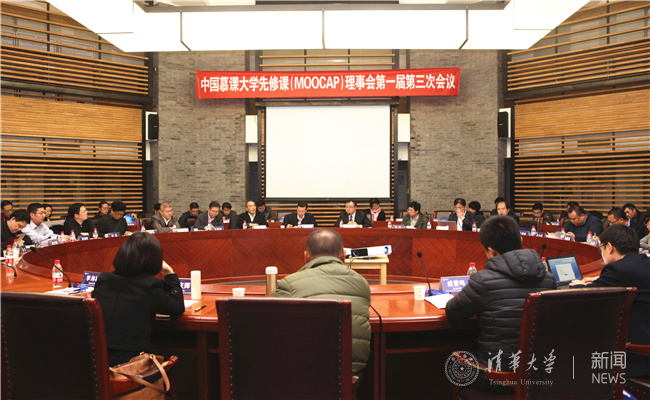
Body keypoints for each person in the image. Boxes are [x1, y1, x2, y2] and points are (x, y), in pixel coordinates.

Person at [445, 216, 556, 392]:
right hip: (538, 374)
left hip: (496, 377)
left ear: (491, 251)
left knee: (450, 365)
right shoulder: (548, 279)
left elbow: (453, 313)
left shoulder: (482, 280)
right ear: (521, 240)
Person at [273, 229, 371, 374]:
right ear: (343, 255)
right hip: (349, 372)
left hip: (301, 372)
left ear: (306, 257)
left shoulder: (289, 284)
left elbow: (273, 329)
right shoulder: (361, 283)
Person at [92, 232, 185, 366]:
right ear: (154, 260)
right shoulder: (149, 286)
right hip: (131, 364)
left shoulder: (104, 279)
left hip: (96, 359)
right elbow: (177, 308)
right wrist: (170, 273)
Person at [569, 225, 650, 378]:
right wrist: (599, 280)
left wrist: (579, 285)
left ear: (610, 247)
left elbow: (592, 295)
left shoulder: (617, 269)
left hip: (636, 354)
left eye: (602, 248)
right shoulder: (642, 261)